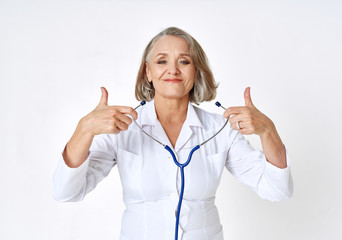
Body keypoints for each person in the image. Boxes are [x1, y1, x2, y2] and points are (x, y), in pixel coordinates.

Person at [52, 26, 293, 240]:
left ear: (196, 71)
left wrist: (267, 131)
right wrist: (83, 130)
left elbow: (278, 190)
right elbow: (67, 193)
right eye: (162, 61)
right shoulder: (122, 127)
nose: (173, 70)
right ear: (148, 72)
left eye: (184, 61)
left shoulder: (219, 130)